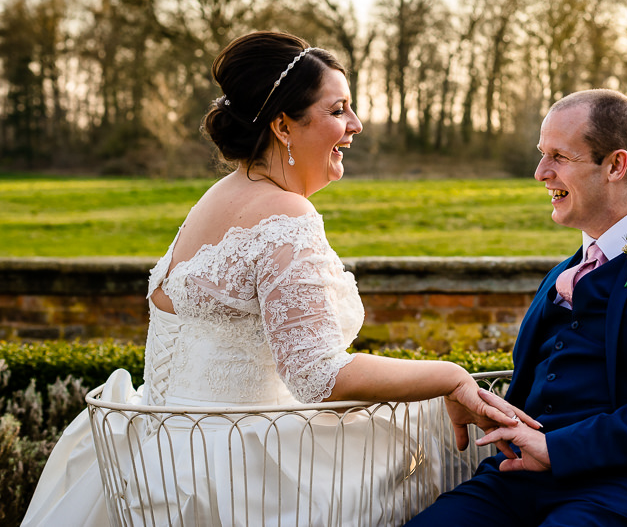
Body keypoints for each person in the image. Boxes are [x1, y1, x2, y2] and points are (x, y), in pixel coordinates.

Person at [22, 31, 535, 527]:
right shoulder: (286, 216)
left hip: (162, 452)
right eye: (337, 110)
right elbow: (318, 375)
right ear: (283, 126)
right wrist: (449, 375)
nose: (355, 123)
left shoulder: (219, 195)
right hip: (240, 468)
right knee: (446, 447)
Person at [406, 89, 627, 527]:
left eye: (559, 156)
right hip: (519, 482)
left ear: (616, 165)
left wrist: (559, 450)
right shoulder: (561, 273)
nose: (540, 172)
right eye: (541, 154)